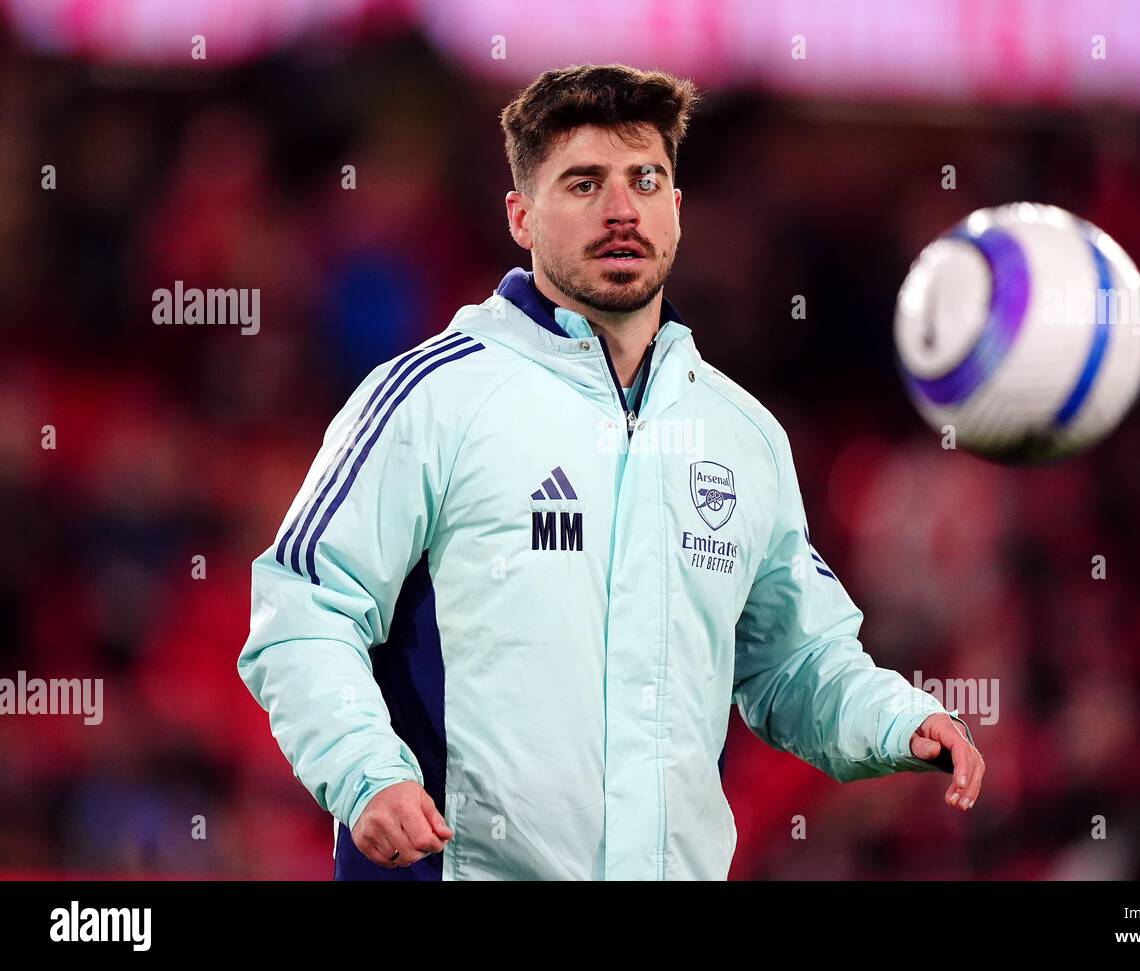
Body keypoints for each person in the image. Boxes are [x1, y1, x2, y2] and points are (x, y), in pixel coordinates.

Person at [238, 63, 984, 881]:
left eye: (645, 180)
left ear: (676, 209)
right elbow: (304, 610)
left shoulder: (741, 435)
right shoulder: (428, 399)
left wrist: (894, 718)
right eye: (584, 183)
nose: (621, 210)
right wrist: (366, 771)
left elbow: (794, 661)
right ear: (522, 216)